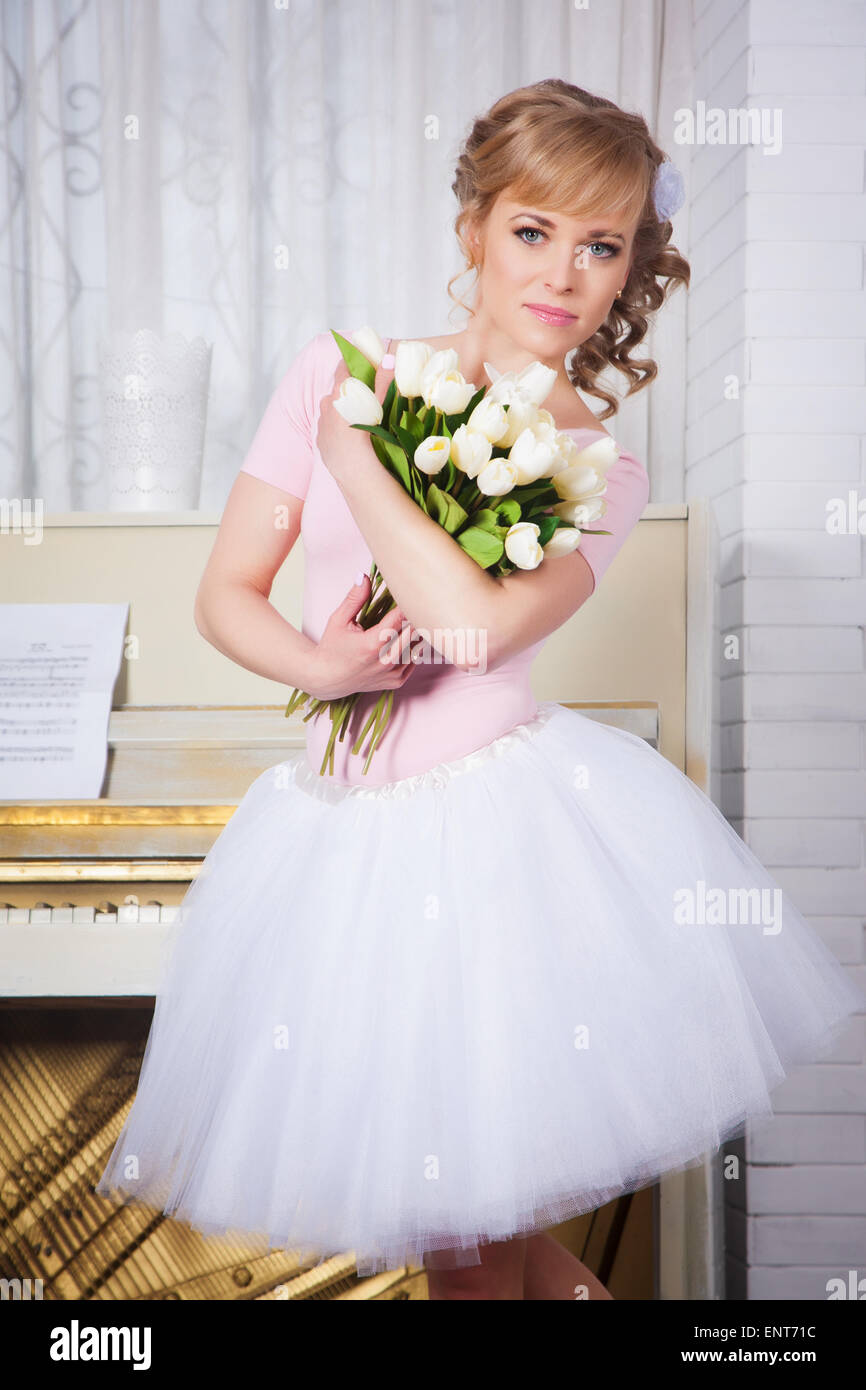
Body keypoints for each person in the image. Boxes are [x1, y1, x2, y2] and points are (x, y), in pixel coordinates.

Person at [94, 79, 865, 1302]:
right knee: (469, 1242)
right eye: (531, 230)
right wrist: (321, 667)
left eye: (600, 244)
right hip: (337, 840)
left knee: (471, 1239)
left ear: (627, 272)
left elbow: (468, 629)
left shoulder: (598, 466)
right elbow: (226, 592)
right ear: (473, 231)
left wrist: (358, 450)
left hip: (497, 842)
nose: (563, 271)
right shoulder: (340, 371)